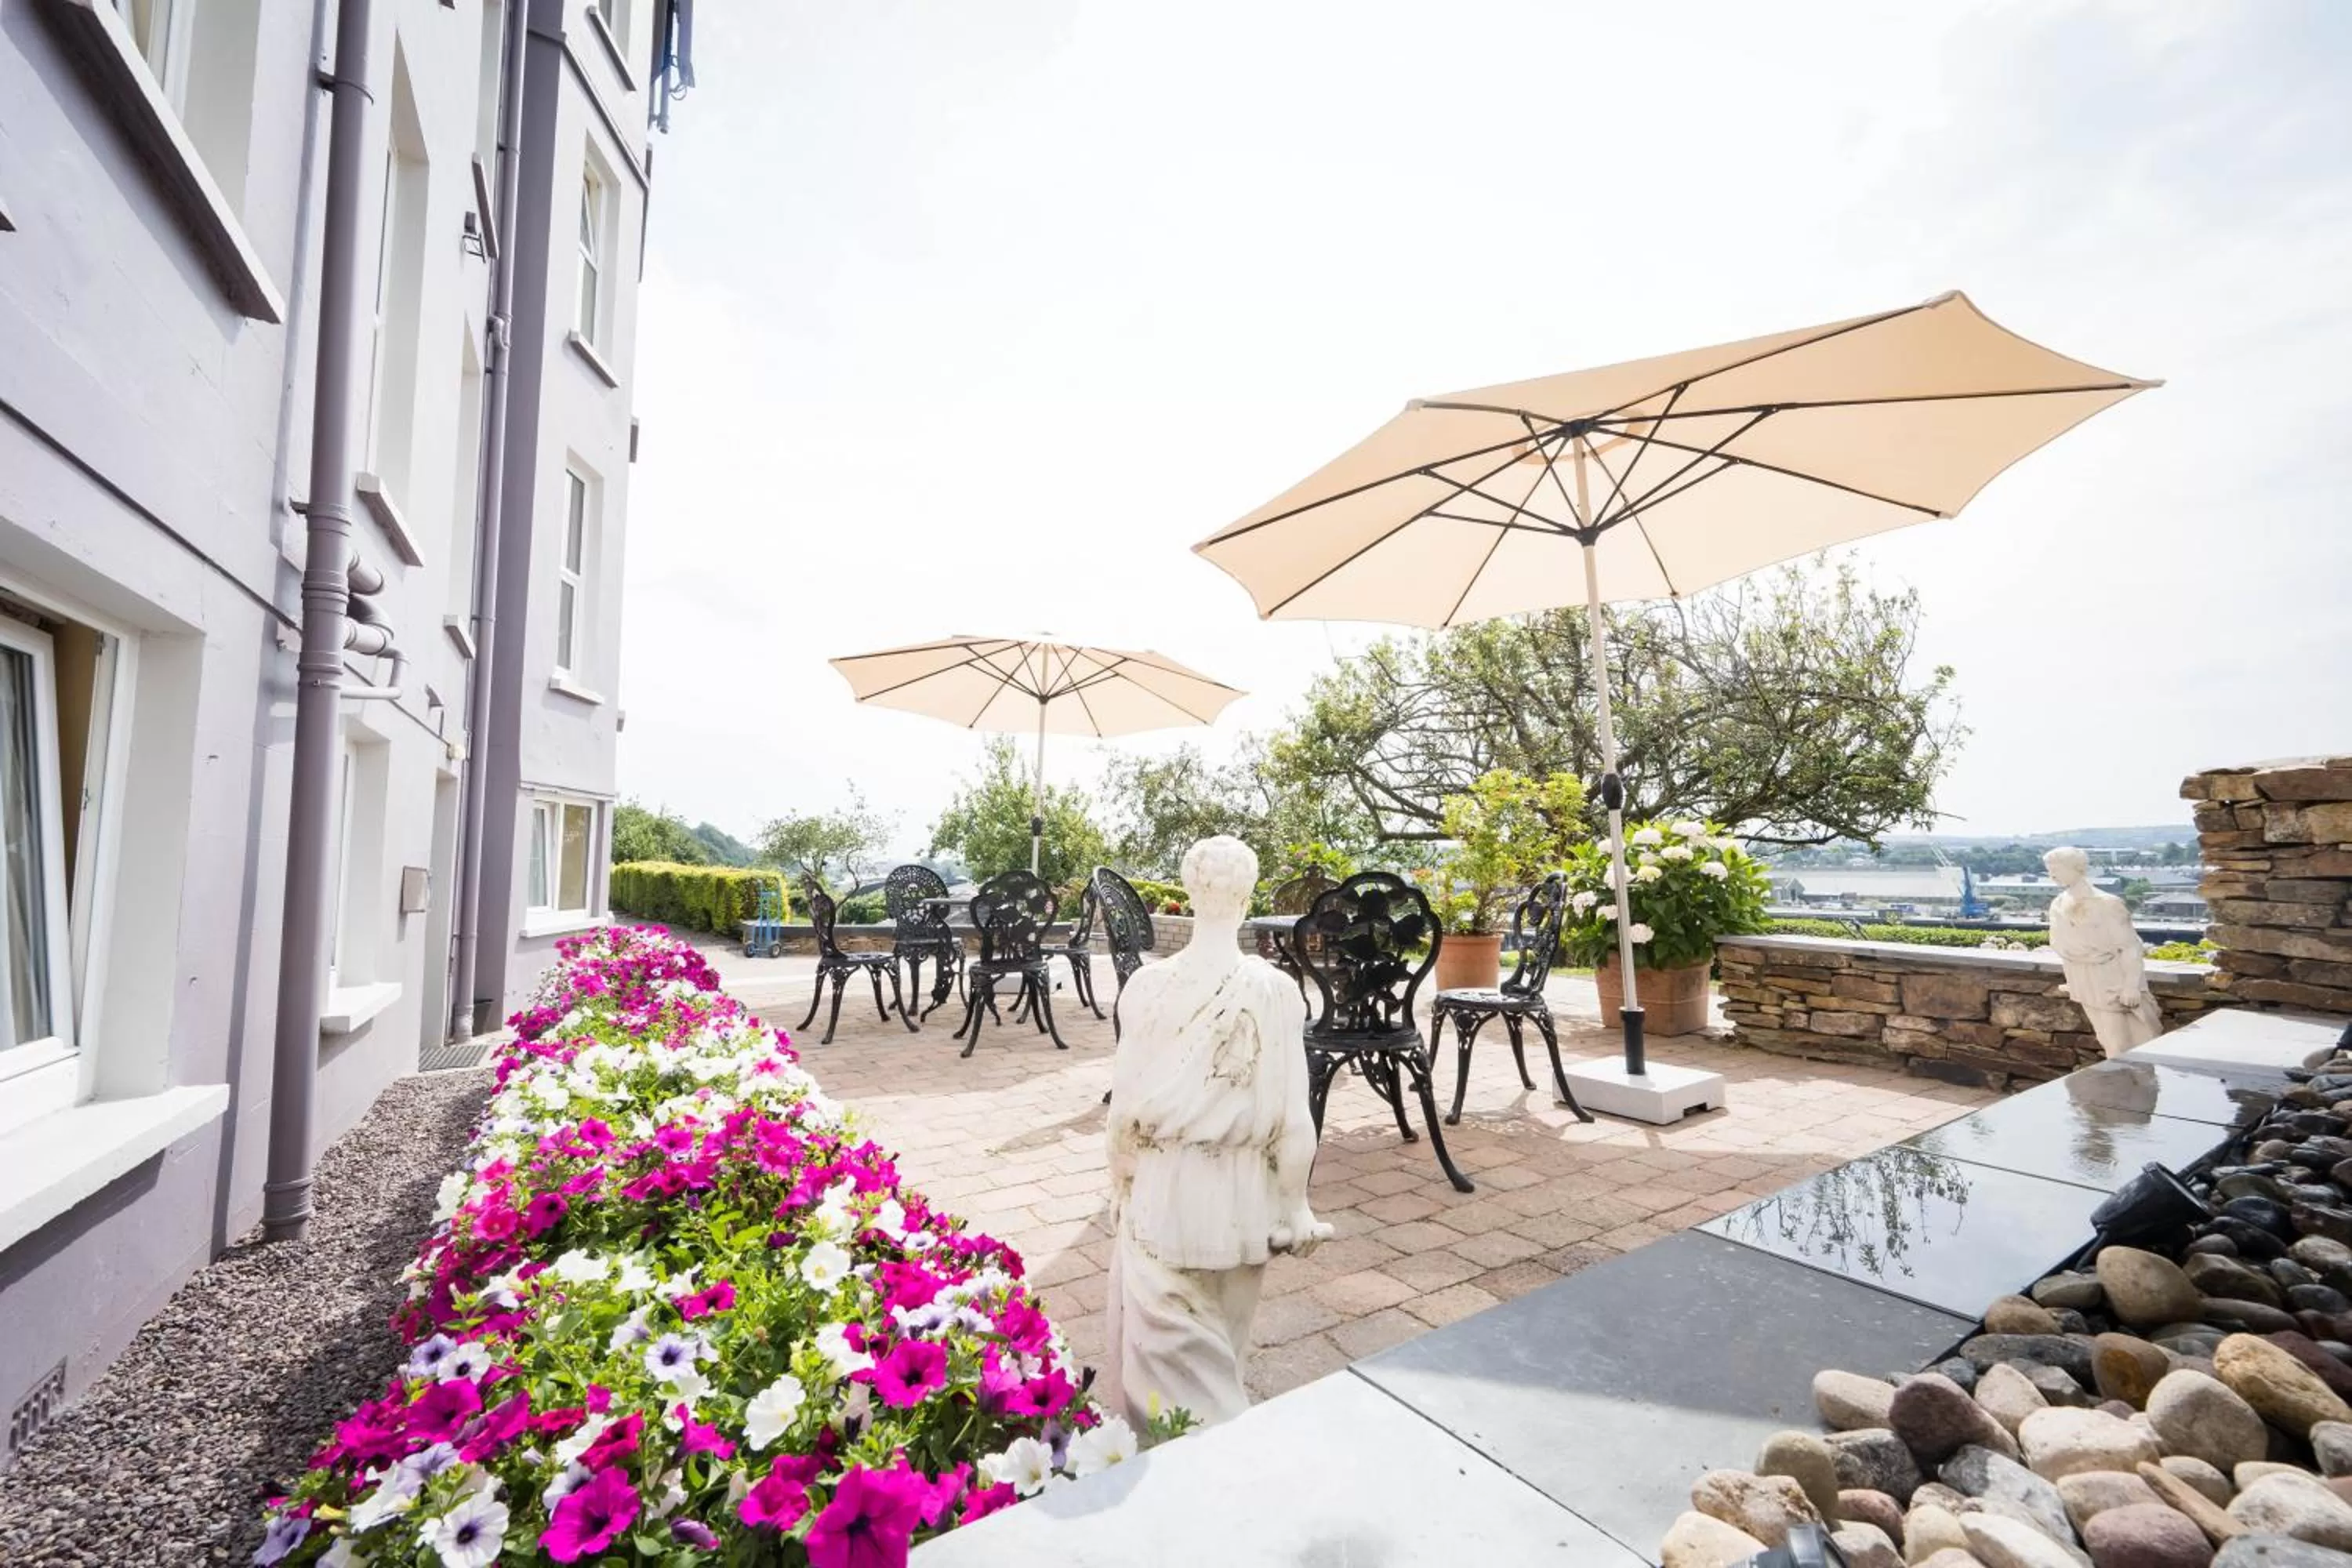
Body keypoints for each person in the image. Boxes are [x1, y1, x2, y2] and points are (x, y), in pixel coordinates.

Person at [1102, 835, 1330, 1430]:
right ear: (1249, 894)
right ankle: (1226, 1470)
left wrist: (1120, 1185)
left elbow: (1124, 1115)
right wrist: (1297, 1207)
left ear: (1188, 890)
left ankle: (1188, 1473)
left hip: (1164, 1189)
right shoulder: (1279, 992)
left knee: (1164, 1376)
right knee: (1225, 1355)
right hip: (1241, 1197)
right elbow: (1292, 1118)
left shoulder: (1147, 989)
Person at [2045, 845, 2163, 1058]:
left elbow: (2129, 946)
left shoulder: (2106, 903)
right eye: (2048, 869)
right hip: (2082, 976)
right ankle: (2122, 1084)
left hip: (2111, 977)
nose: (2051, 874)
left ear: (2077, 868)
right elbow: (2059, 942)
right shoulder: (2058, 904)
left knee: (2127, 1040)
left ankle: (2139, 1085)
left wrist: (2131, 986)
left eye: (2056, 868)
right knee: (2107, 1038)